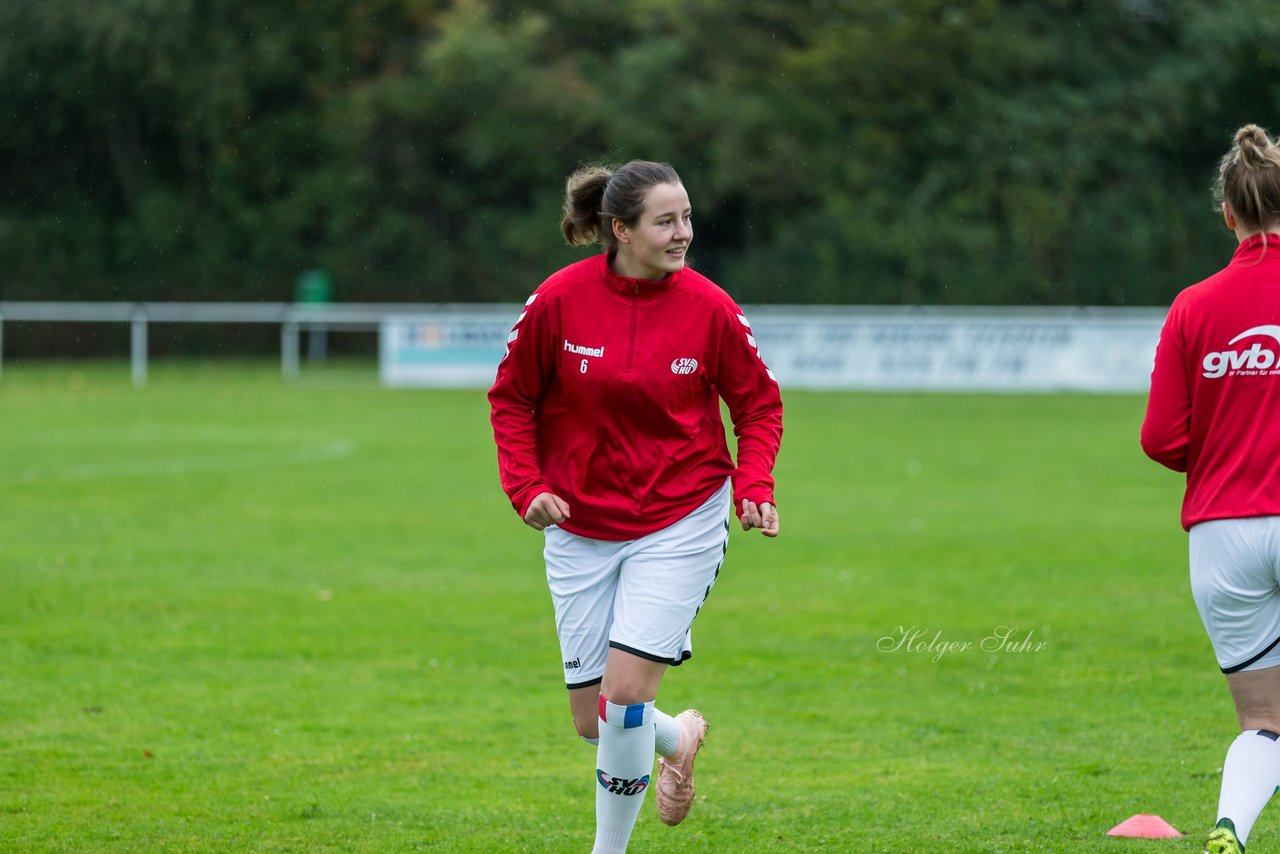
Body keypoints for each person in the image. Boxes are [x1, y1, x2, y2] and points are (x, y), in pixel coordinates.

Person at [488, 159, 784, 853]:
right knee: (595, 721)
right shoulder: (558, 301)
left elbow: (758, 405)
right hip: (580, 525)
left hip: (681, 518)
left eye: (686, 217)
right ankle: (677, 739)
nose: (683, 233)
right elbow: (512, 399)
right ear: (619, 229)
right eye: (665, 221)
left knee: (622, 703)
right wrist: (526, 488)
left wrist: (755, 486)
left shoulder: (710, 308)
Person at [1142, 124, 1280, 854]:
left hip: (1223, 537)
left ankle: (1229, 829)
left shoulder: (1194, 306)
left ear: (1226, 214)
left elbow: (1161, 439)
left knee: (1264, 718)